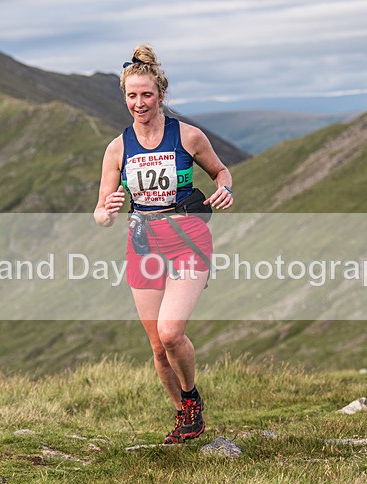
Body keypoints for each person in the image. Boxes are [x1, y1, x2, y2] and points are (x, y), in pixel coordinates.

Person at [93, 45, 234, 443]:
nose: (139, 103)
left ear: (161, 95)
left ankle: (192, 397)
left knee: (171, 332)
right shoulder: (117, 148)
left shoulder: (187, 136)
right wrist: (109, 210)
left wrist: (225, 190)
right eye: (132, 96)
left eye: (147, 95)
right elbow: (100, 213)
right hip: (143, 243)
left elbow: (221, 171)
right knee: (157, 347)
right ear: (124, 98)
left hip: (188, 238)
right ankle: (185, 414)